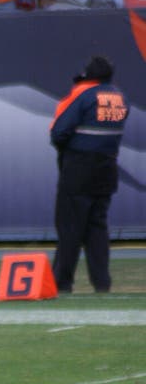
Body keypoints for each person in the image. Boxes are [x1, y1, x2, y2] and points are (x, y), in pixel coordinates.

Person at [50, 55, 129, 293]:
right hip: (107, 167)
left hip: (79, 168)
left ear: (89, 76)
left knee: (70, 227)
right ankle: (102, 284)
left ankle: (62, 283)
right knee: (97, 228)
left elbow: (58, 132)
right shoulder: (120, 98)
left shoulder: (84, 95)